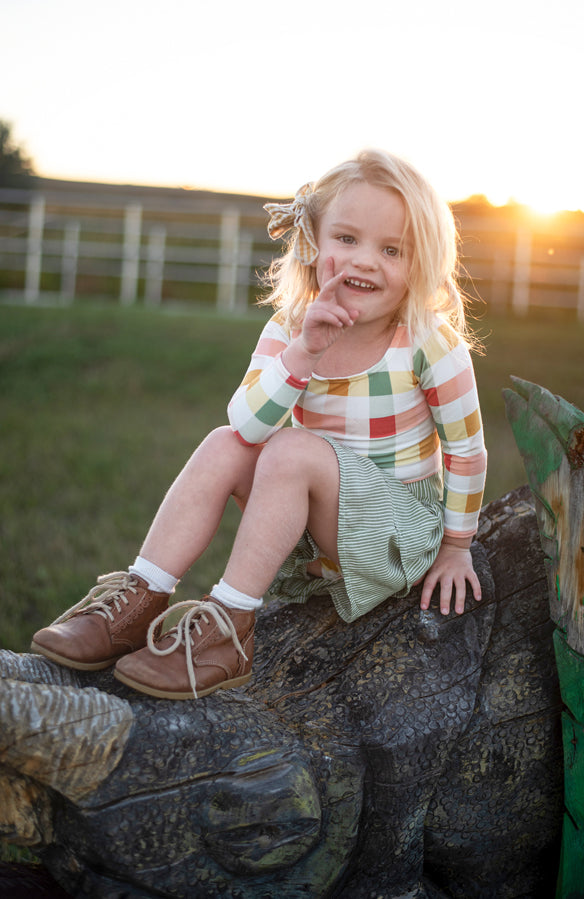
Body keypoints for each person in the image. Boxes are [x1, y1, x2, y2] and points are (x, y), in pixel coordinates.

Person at [31, 149, 487, 701]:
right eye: (346, 240)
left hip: (396, 535)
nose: (364, 261)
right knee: (225, 445)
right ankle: (138, 598)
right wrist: (305, 352)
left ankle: (230, 625)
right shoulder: (292, 327)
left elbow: (467, 452)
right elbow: (246, 425)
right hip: (319, 532)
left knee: (293, 449)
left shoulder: (428, 342)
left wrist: (457, 547)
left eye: (391, 250)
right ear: (313, 242)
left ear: (422, 263)